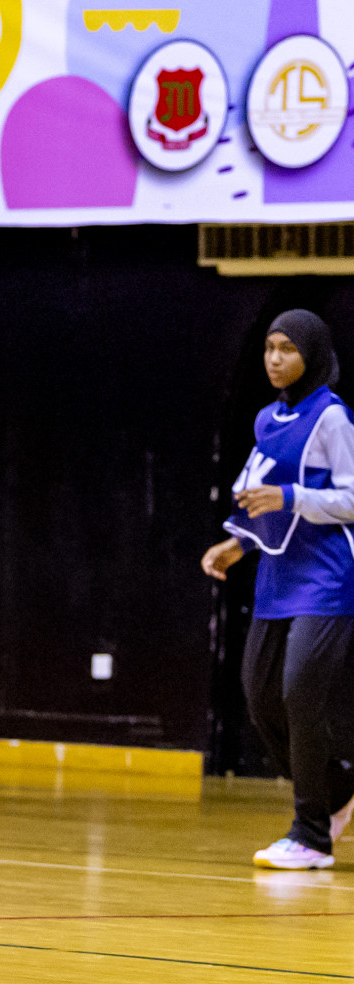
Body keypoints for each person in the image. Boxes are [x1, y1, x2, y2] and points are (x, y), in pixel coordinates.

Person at [203, 309, 354, 870]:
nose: (274, 358)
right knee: (260, 696)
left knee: (300, 695)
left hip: (328, 578)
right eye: (269, 347)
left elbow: (352, 497)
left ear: (310, 355)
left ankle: (311, 837)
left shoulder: (331, 417)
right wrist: (236, 544)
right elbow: (255, 496)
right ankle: (337, 790)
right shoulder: (268, 419)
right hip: (277, 576)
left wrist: (292, 498)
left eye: (287, 348)